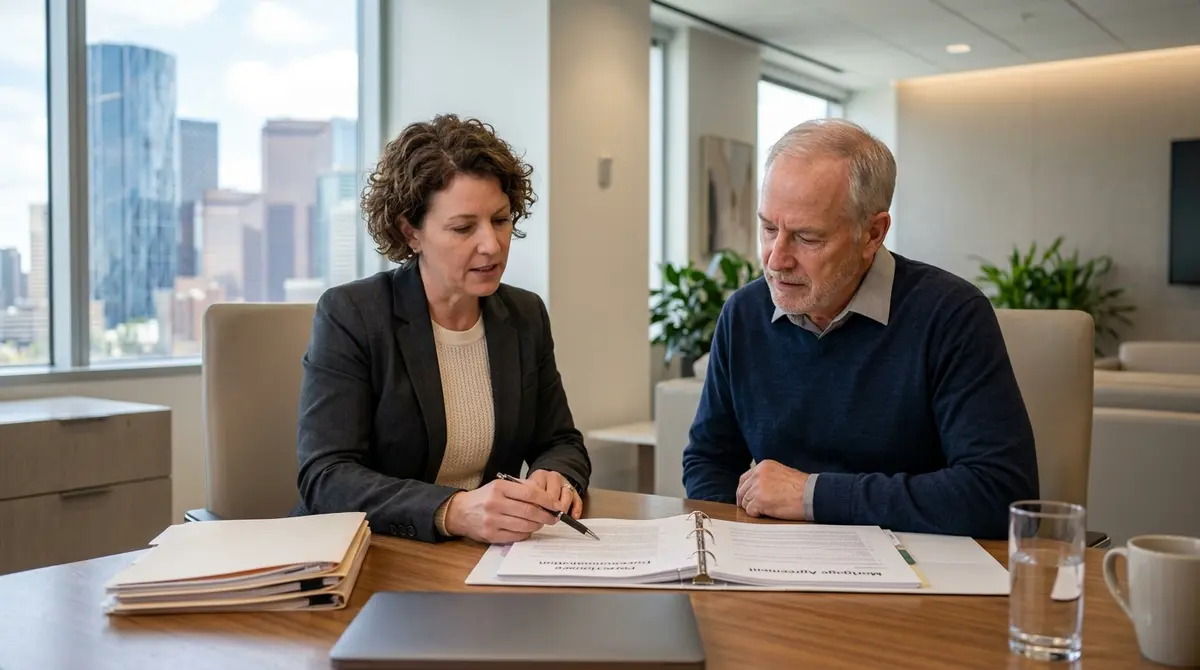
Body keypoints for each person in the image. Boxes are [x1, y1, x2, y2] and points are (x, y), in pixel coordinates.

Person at [682, 118, 1038, 539]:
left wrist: (811, 496)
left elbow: (998, 493)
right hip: (775, 569)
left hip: (918, 577)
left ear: (872, 233)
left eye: (807, 238)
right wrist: (740, 544)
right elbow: (708, 461)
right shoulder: (744, 313)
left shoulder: (951, 314)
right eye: (769, 228)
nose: (776, 259)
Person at [294, 114, 590, 544]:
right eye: (463, 227)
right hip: (367, 554)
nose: (491, 244)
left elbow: (561, 439)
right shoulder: (353, 314)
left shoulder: (524, 314)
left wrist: (555, 475)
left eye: (501, 220)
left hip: (476, 559)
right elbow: (326, 476)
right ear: (410, 231)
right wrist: (450, 510)